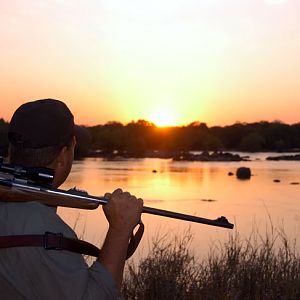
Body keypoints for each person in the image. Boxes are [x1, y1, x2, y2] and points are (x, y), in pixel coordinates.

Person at [0, 99, 143, 299]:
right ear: (63, 155)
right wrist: (120, 230)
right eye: (73, 144)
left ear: (10, 150)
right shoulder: (48, 234)